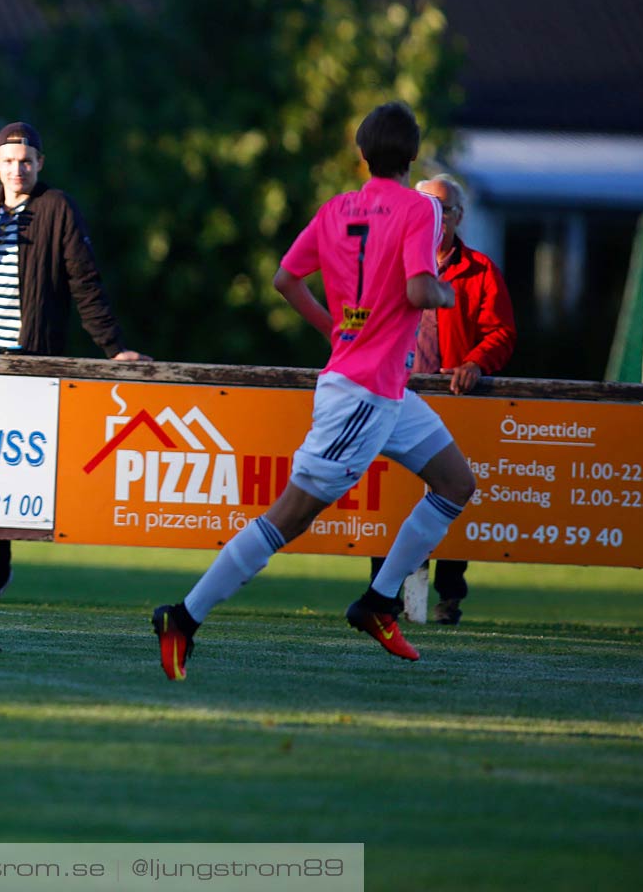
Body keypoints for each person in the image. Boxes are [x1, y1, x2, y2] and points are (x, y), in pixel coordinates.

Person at [152, 101, 481, 680]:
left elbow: (285, 278)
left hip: (384, 389)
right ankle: (183, 616)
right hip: (362, 394)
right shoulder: (421, 209)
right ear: (412, 156)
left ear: (361, 155)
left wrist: (337, 327)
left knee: (455, 482)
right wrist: (448, 296)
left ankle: (379, 603)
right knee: (289, 518)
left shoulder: (336, 209)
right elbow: (421, 290)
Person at [0, 121, 144, 603]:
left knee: (3, 466)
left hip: (25, 361)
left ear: (40, 164)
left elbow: (84, 281)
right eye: (9, 161)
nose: (18, 169)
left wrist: (114, 347)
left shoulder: (57, 208)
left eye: (27, 161)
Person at [370, 173, 515, 625]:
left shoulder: (481, 270)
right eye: (427, 207)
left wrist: (474, 362)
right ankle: (383, 597)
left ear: (458, 217)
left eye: (444, 209)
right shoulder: (387, 262)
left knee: (449, 496)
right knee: (391, 502)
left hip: (452, 402)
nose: (435, 217)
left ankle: (449, 598)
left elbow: (502, 332)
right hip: (395, 395)